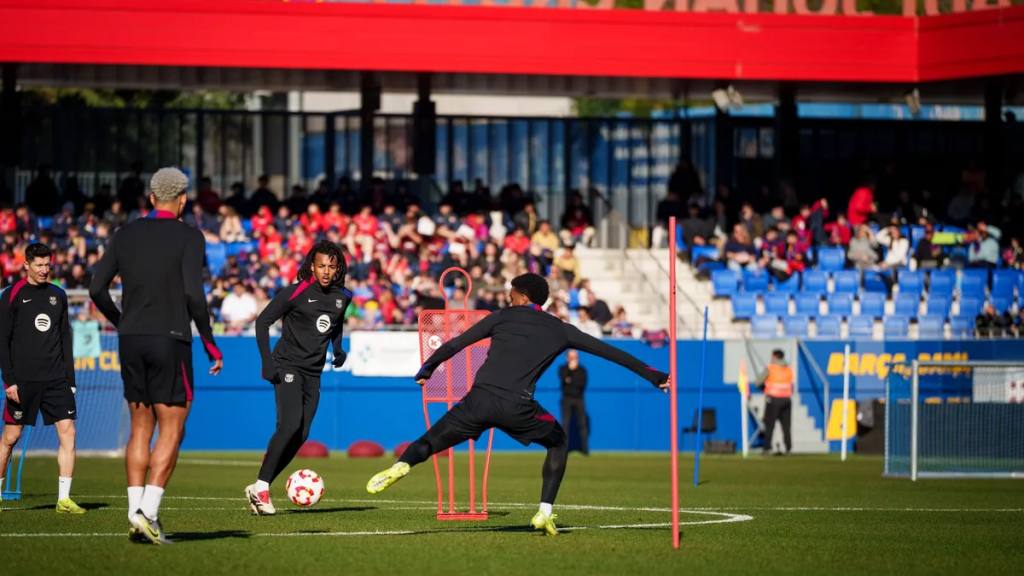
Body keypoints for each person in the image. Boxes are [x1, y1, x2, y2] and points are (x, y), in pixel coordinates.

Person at [365, 273, 669, 536]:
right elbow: (610, 352)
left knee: (430, 441)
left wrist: (428, 368)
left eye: (511, 297)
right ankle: (545, 511)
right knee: (559, 441)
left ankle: (401, 465)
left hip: (478, 401)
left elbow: (456, 343)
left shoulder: (500, 317)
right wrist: (653, 375)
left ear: (524, 297)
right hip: (518, 408)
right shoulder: (561, 329)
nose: (509, 301)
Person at [89, 167, 224, 544]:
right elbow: (194, 295)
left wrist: (121, 321)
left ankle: (134, 514)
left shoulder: (124, 234)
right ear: (182, 200)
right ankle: (148, 512)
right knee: (173, 426)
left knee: (140, 428)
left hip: (131, 339)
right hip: (170, 338)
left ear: (151, 198)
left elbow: (96, 287)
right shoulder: (189, 236)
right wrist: (210, 342)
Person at [247, 241, 351, 515]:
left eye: (331, 266)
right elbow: (262, 322)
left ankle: (261, 484)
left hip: (313, 372)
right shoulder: (296, 292)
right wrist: (266, 362)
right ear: (312, 267)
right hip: (287, 366)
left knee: (302, 434)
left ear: (338, 267)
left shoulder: (343, 297)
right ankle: (261, 487)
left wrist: (337, 349)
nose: (326, 272)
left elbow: (336, 322)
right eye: (321, 266)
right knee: (289, 424)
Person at [0, 243, 84, 513]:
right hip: (22, 381)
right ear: (26, 265)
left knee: (68, 433)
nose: (45, 269)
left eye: (48, 264)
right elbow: (2, 340)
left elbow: (65, 338)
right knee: (10, 438)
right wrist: (9, 380)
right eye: (39, 265)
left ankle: (64, 499)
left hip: (56, 379)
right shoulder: (11, 295)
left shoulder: (58, 295)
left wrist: (70, 379)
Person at [758, 349, 793, 455]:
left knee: (769, 425)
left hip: (773, 400)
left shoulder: (770, 368)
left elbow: (758, 381)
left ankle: (767, 448)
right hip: (787, 400)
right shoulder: (788, 369)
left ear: (775, 356)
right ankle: (788, 448)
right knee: (786, 426)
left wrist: (763, 387)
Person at [558, 350, 589, 455]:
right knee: (565, 425)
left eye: (575, 357)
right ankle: (564, 449)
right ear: (567, 358)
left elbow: (581, 384)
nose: (574, 359)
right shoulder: (563, 369)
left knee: (582, 424)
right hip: (566, 399)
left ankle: (585, 450)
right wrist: (570, 371)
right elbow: (563, 379)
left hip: (579, 399)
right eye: (572, 357)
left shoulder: (582, 370)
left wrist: (570, 380)